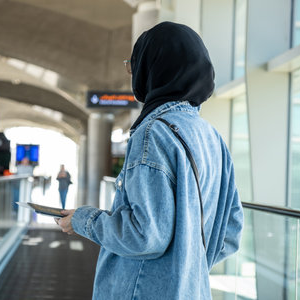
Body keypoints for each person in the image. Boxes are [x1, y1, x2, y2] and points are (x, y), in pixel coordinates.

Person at [56, 21, 244, 299]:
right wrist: (184, 267)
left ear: (153, 68)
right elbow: (230, 232)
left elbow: (144, 236)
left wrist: (85, 220)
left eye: (134, 65)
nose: (133, 74)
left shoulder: (153, 134)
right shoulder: (213, 137)